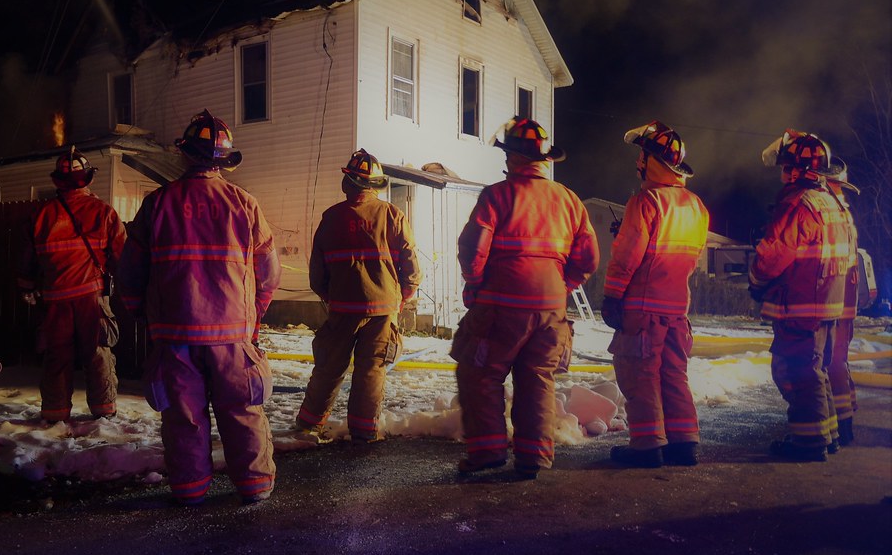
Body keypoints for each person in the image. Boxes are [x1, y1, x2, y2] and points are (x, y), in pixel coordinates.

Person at [117, 111, 281, 505]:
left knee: (183, 417)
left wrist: (145, 314)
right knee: (242, 410)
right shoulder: (244, 204)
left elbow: (130, 273)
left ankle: (190, 490)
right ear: (225, 160)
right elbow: (269, 273)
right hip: (232, 336)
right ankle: (255, 486)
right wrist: (252, 317)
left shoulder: (157, 203)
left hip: (174, 335)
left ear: (186, 155)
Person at [453, 118, 599, 479]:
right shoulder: (569, 200)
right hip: (551, 310)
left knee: (480, 373)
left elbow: (473, 249)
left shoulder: (497, 195)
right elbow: (590, 258)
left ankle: (487, 451)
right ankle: (533, 457)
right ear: (544, 160)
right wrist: (564, 285)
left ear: (514, 158)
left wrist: (474, 285)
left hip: (502, 307)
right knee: (537, 379)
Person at [601, 121, 710, 468]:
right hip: (677, 311)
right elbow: (684, 257)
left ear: (654, 161)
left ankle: (646, 447)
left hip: (642, 310)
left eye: (643, 156)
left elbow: (629, 256)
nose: (638, 162)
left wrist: (612, 296)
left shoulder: (646, 201)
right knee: (674, 375)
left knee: (639, 375)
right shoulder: (696, 206)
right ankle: (685, 442)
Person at [294, 149, 421, 444]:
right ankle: (364, 430)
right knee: (371, 370)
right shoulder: (392, 215)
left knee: (328, 366)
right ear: (375, 184)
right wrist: (402, 296)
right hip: (382, 309)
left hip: (341, 309)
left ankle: (308, 425)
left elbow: (317, 273)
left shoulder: (331, 217)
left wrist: (331, 296)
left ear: (348, 183)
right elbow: (411, 264)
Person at [748, 130, 853, 462]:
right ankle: (828, 435)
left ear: (798, 169)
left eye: (785, 167)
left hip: (800, 307)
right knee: (815, 372)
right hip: (828, 307)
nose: (782, 174)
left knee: (794, 372)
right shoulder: (832, 201)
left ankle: (808, 443)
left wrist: (756, 280)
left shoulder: (799, 203)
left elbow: (772, 255)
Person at [18, 147, 126, 423]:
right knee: (98, 353)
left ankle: (55, 414)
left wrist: (27, 287)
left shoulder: (41, 215)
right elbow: (122, 257)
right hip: (91, 297)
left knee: (57, 355)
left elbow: (27, 259)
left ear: (57, 181)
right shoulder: (103, 213)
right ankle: (104, 413)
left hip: (54, 299)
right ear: (87, 179)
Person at [826, 156, 861, 445]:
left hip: (834, 302)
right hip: (844, 302)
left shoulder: (833, 214)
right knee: (839, 362)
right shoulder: (843, 213)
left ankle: (841, 426)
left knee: (832, 363)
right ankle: (845, 418)